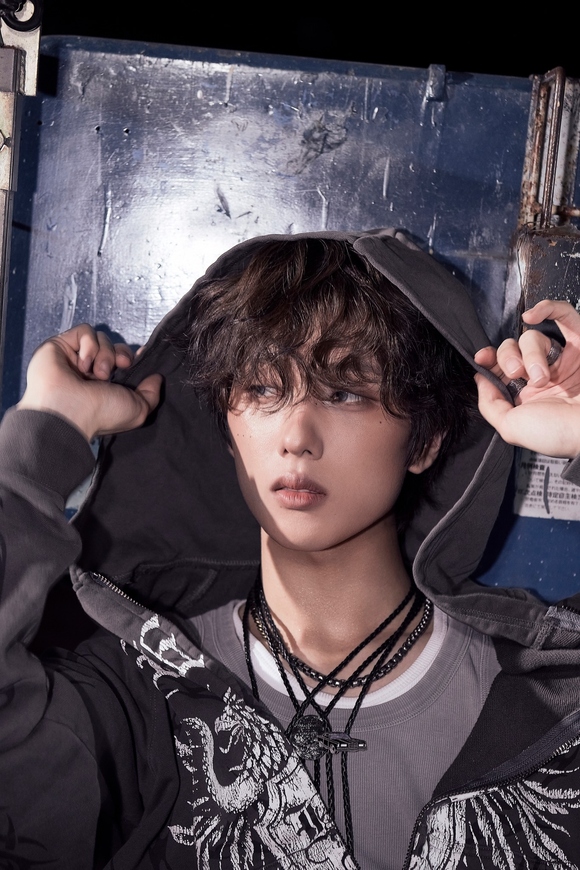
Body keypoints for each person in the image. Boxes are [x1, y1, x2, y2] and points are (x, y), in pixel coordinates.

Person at [2, 227, 580, 870]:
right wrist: (43, 436)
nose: (296, 436)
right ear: (227, 432)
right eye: (263, 390)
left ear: (424, 440)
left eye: (344, 392)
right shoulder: (136, 696)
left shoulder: (550, 694)